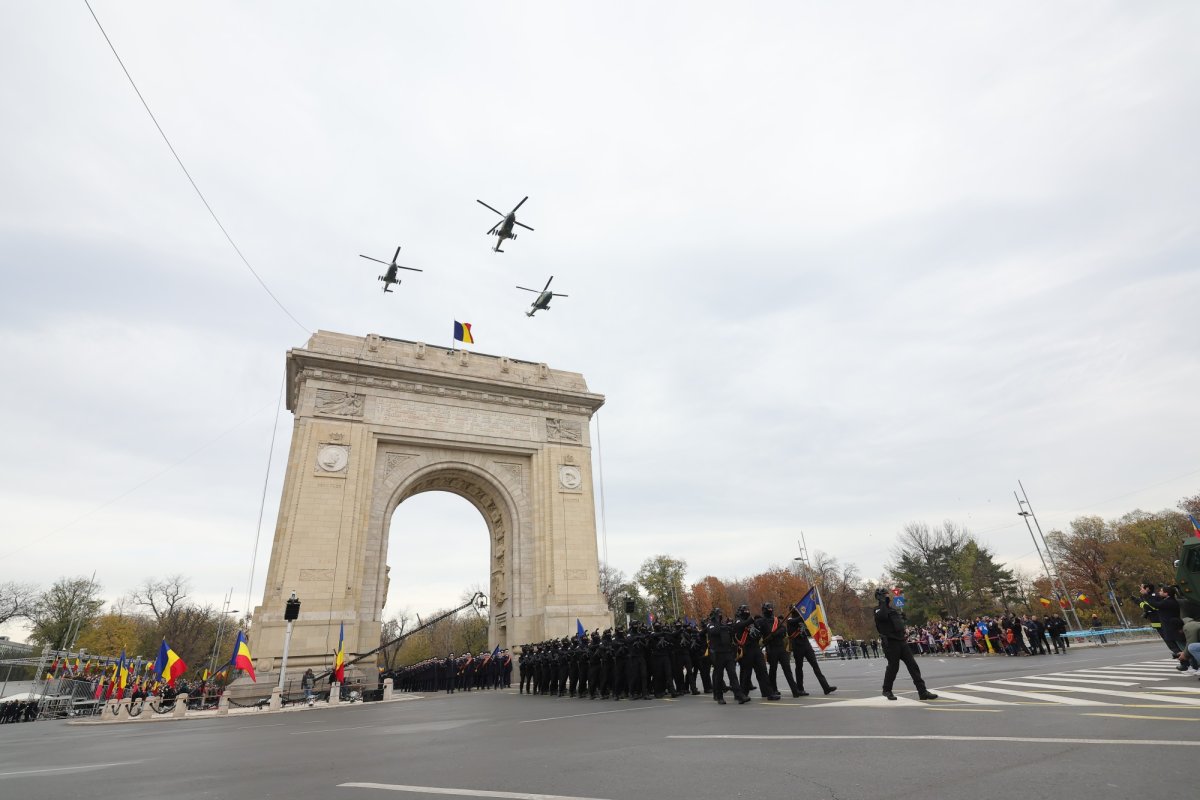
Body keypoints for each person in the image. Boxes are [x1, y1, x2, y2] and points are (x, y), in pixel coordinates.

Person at [873, 587, 937, 701]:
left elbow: (898, 625)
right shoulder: (877, 609)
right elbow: (882, 616)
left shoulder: (892, 610)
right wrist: (882, 602)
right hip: (890, 643)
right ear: (880, 597)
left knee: (913, 666)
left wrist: (902, 619)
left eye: (888, 594)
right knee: (893, 667)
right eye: (885, 594)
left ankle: (922, 692)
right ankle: (887, 690)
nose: (888, 596)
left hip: (901, 641)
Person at [785, 606, 836, 696]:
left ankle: (826, 687)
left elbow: (809, 631)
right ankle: (800, 689)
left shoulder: (802, 620)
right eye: (796, 609)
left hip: (806, 645)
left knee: (815, 666)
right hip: (797, 646)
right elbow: (794, 623)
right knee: (799, 668)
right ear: (792, 611)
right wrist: (805, 615)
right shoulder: (789, 620)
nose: (798, 610)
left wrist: (807, 629)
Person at [704, 608, 749, 705]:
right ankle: (719, 696)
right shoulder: (710, 624)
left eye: (721, 613)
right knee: (719, 676)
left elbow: (731, 634)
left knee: (733, 674)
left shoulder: (724, 624)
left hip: (727, 653)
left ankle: (739, 695)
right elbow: (713, 631)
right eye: (718, 614)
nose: (720, 615)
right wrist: (721, 626)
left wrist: (730, 628)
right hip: (718, 654)